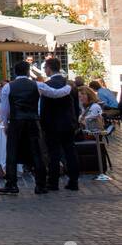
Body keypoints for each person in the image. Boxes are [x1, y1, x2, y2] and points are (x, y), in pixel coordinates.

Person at [0, 61, 52, 195]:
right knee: (37, 152)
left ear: (15, 72)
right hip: (33, 120)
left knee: (12, 152)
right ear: (28, 72)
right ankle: (41, 185)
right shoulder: (37, 84)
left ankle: (11, 184)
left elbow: (4, 109)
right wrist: (67, 88)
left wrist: (5, 123)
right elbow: (54, 93)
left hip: (16, 121)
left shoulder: (8, 87)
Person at [39, 57, 81, 192]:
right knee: (70, 152)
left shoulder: (47, 85)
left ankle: (53, 182)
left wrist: (43, 124)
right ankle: (73, 181)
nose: (45, 70)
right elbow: (76, 107)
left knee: (53, 154)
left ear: (49, 68)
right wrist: (74, 122)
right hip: (68, 124)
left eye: (45, 68)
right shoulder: (70, 85)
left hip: (52, 125)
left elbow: (44, 108)